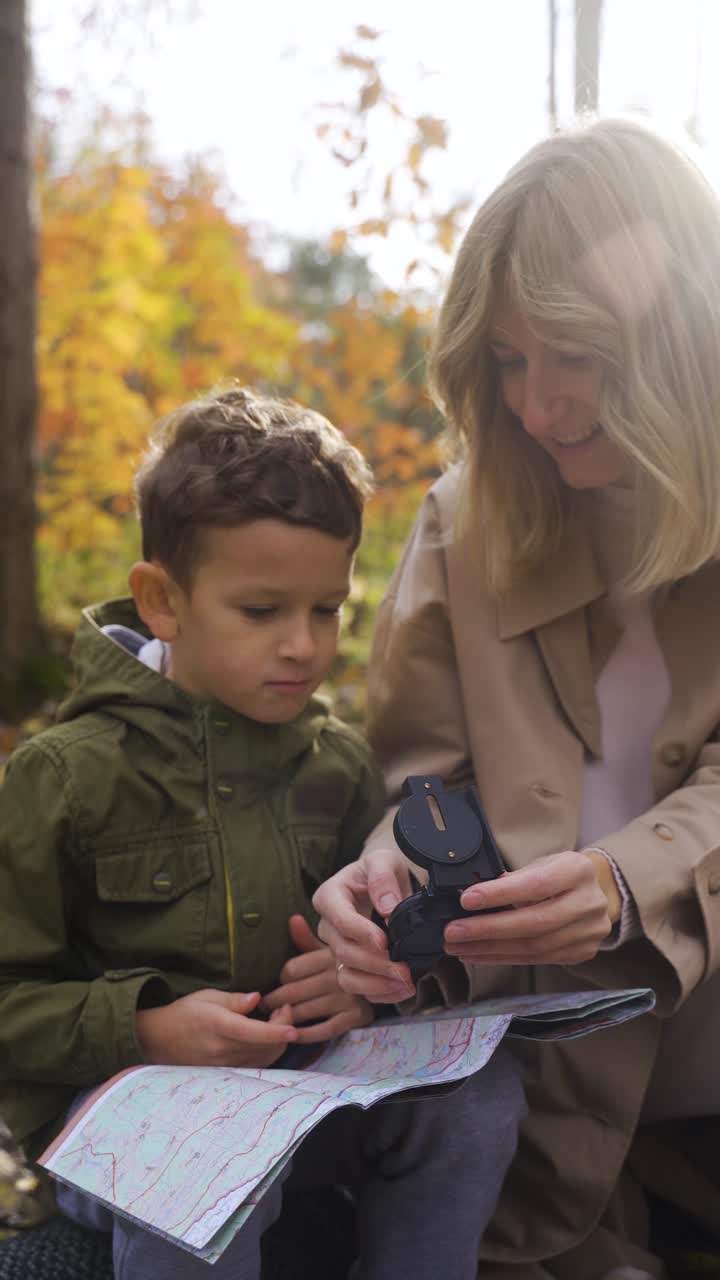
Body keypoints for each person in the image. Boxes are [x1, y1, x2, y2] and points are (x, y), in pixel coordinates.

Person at [313, 118, 720, 1280]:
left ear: (682, 336)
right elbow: (427, 787)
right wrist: (383, 881)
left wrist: (626, 884)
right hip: (534, 1132)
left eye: (578, 354)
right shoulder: (465, 521)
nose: (539, 407)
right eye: (506, 359)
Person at [0, 387, 526, 1280]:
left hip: (300, 1099)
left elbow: (377, 947)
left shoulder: (340, 765)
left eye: (327, 609)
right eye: (261, 611)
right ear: (162, 600)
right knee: (203, 1158)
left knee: (478, 1098)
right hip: (120, 1121)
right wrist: (145, 1028)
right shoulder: (63, 777)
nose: (303, 647)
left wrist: (362, 989)